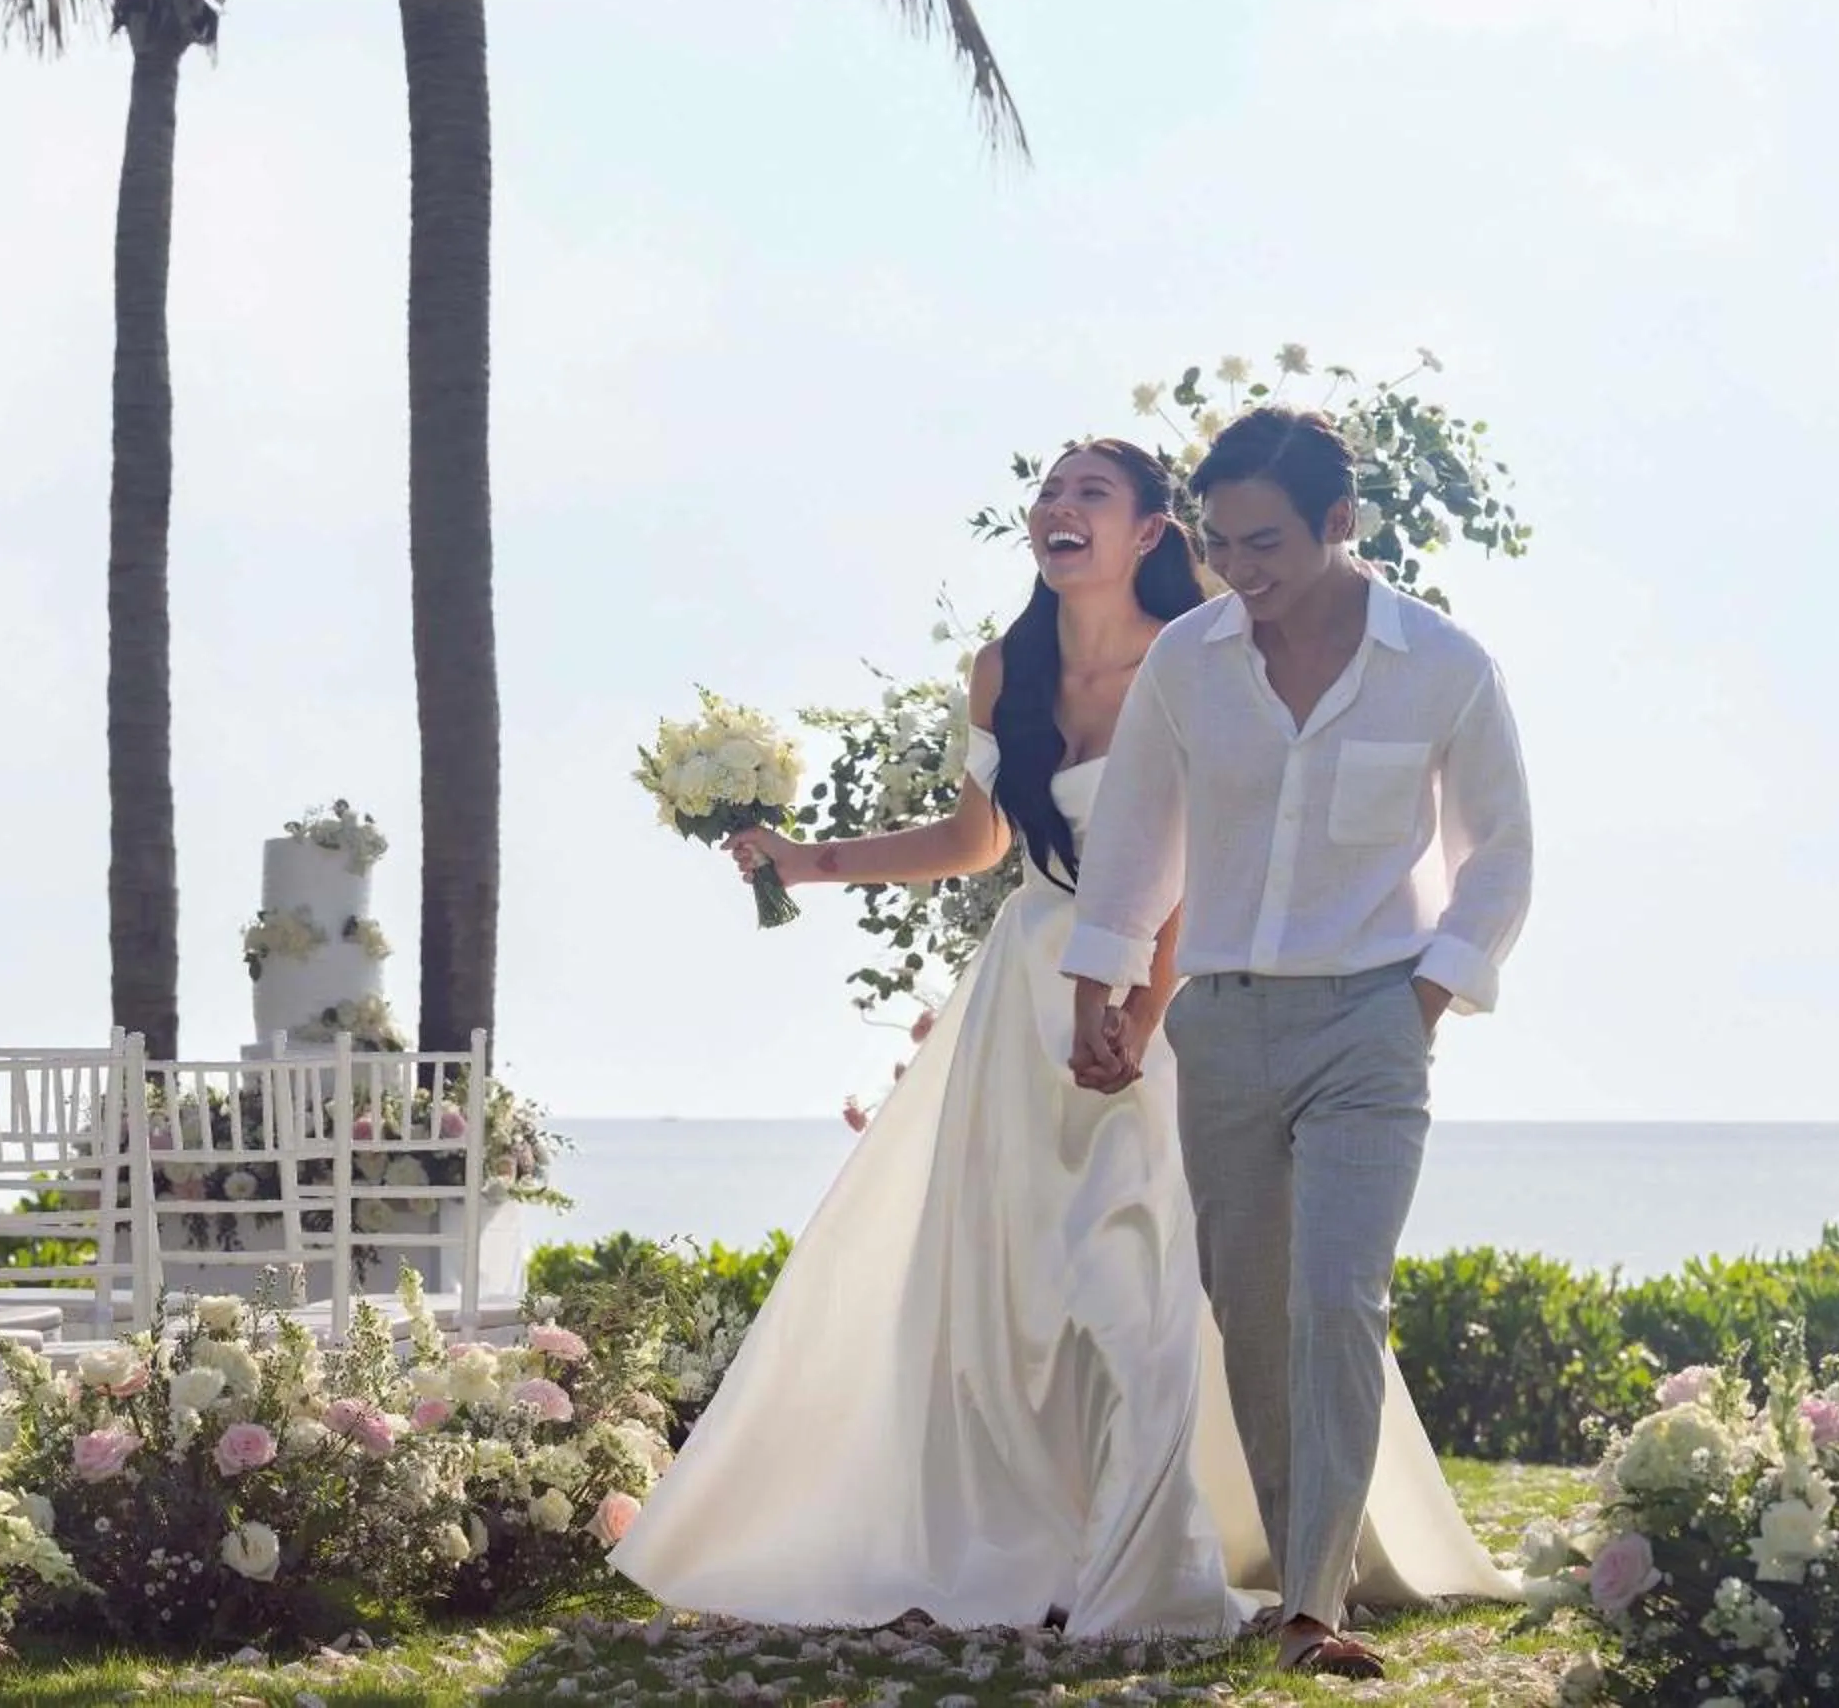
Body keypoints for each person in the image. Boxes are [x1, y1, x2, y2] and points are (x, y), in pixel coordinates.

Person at [611, 438, 1507, 1637]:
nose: (1058, 508)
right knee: (1027, 1289)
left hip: (1208, 1005)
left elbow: (1206, 850)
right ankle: (1032, 1536)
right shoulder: (1038, 669)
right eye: (1049, 491)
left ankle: (1219, 1571)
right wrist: (806, 864)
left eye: (1093, 491)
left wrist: (1175, 999)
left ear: (1151, 533)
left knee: (1164, 1288)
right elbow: (1001, 842)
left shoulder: (1269, 658)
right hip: (1039, 998)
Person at [1063, 407, 1534, 1679]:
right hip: (1219, 1023)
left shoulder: (1443, 665)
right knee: (1254, 1313)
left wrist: (1424, 1000)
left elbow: (1502, 851)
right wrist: (1096, 987)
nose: (1237, 568)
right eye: (1218, 543)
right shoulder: (1189, 663)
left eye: (1263, 541)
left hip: (1373, 1021)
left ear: (1340, 524)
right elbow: (1135, 837)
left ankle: (1314, 1605)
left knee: (1339, 1298)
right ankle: (1297, 1555)